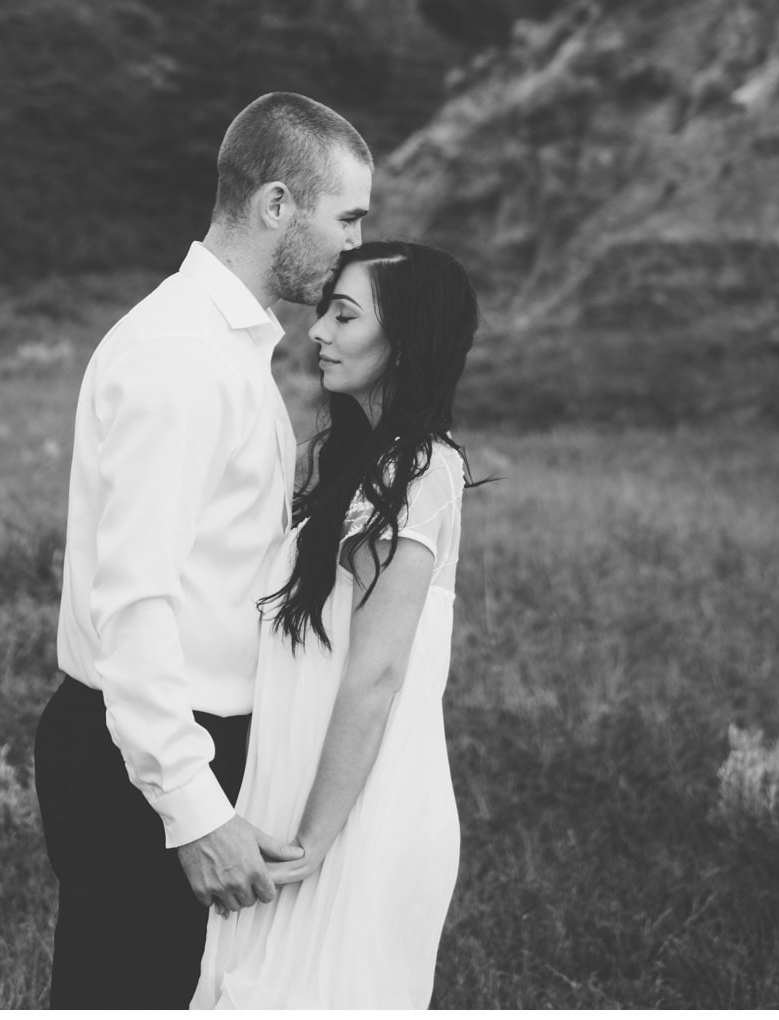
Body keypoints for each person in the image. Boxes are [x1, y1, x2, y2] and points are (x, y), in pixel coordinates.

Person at [34, 93, 373, 1009]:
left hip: (183, 745)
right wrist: (192, 811)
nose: (354, 245)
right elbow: (133, 605)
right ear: (275, 206)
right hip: (142, 761)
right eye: (347, 217)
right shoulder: (180, 358)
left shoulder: (228, 349)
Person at [191, 239, 480, 1010]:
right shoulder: (363, 465)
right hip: (302, 792)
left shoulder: (421, 471)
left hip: (359, 813)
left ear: (405, 340)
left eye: (345, 315)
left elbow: (378, 673)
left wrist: (315, 839)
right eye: (324, 311)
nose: (318, 330)